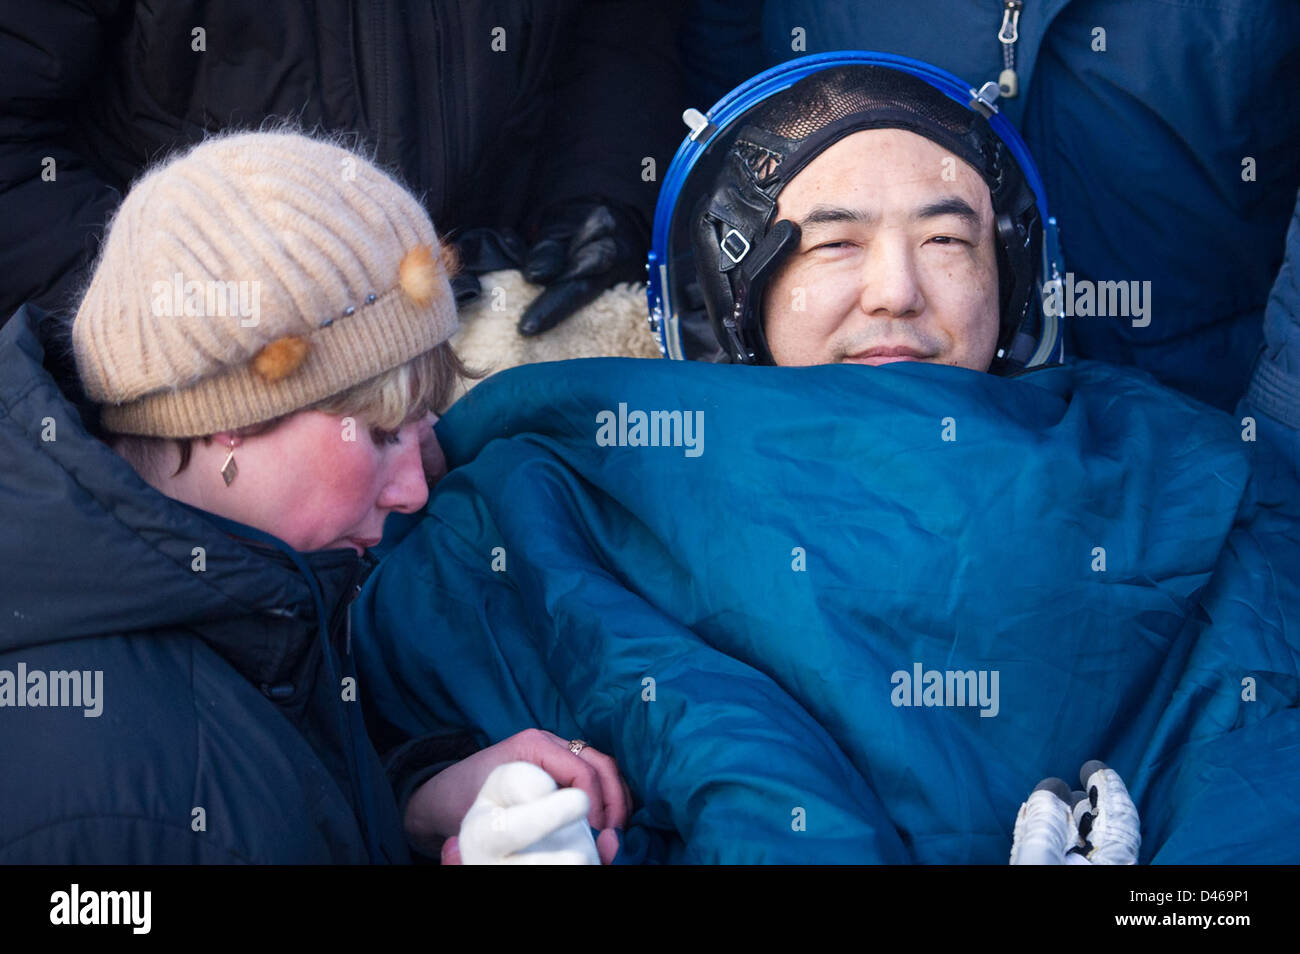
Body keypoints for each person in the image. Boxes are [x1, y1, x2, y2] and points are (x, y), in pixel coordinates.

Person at [349, 56, 1300, 863]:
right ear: (726, 294)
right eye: (834, 244)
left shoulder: (1189, 474)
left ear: (1012, 274)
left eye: (946, 240)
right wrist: (444, 800)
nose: (896, 290)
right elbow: (382, 737)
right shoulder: (555, 484)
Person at [0, 130, 628, 864]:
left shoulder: (252, 588)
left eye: (420, 429)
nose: (415, 490)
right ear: (227, 419)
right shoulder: (124, 804)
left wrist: (418, 809)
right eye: (381, 432)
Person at [0, 0, 683, 345]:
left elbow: (615, 29)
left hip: (482, 323)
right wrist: (169, 322)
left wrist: (602, 191)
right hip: (177, 406)